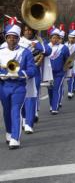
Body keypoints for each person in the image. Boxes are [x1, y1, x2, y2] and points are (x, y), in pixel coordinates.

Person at [0, 19, 36, 149]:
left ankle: (15, 138)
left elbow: (32, 69)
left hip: (18, 86)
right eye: (9, 37)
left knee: (16, 110)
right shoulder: (0, 50)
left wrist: (20, 73)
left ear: (18, 39)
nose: (11, 40)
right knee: (6, 111)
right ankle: (9, 133)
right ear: (6, 38)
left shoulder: (25, 52)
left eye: (14, 38)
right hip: (3, 85)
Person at [19, 23, 52, 133]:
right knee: (21, 97)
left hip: (35, 72)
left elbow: (48, 51)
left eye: (30, 30)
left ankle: (29, 122)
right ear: (23, 31)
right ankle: (24, 118)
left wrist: (37, 45)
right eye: (26, 30)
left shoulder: (40, 41)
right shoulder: (17, 41)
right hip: (20, 73)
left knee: (32, 96)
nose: (28, 32)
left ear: (33, 31)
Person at [48, 28, 70, 114]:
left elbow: (68, 60)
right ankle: (51, 105)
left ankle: (55, 108)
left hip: (59, 73)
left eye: (57, 38)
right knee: (50, 90)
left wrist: (68, 66)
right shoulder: (46, 46)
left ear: (59, 39)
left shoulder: (64, 48)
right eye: (53, 37)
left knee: (56, 89)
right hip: (48, 73)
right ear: (50, 38)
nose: (55, 39)